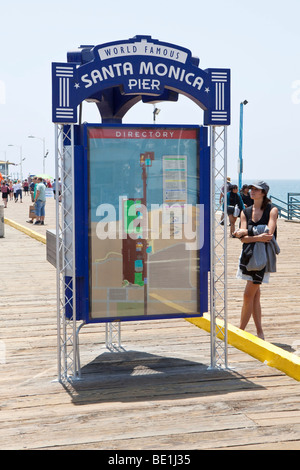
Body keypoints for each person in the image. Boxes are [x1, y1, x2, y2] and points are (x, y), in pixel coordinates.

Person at [234, 181, 279, 340]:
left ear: (263, 193)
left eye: (256, 189)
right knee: (255, 295)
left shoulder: (271, 210)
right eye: (251, 188)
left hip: (262, 257)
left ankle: (240, 331)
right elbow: (243, 240)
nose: (252, 191)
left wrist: (248, 234)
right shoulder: (245, 211)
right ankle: (260, 332)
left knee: (248, 295)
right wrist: (256, 236)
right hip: (247, 256)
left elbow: (268, 235)